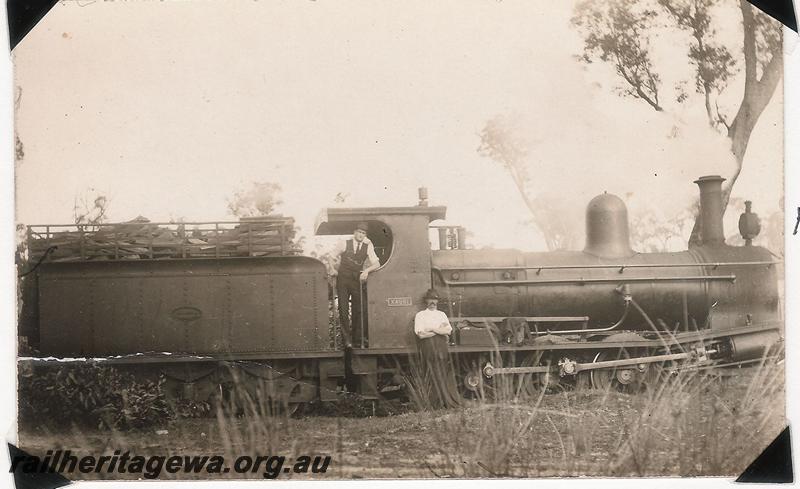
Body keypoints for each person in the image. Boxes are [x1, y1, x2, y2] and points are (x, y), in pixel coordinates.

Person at [413, 289, 461, 408]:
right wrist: (439, 331)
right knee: (430, 373)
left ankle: (444, 401)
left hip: (441, 347)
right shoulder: (420, 315)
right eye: (430, 299)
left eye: (435, 299)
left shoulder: (442, 315)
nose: (433, 302)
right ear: (426, 301)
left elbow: (448, 331)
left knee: (442, 373)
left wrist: (432, 329)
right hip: (428, 347)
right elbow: (421, 335)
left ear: (437, 301)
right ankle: (432, 403)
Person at [334, 222, 380, 348]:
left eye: (363, 233)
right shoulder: (344, 243)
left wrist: (366, 271)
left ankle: (356, 340)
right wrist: (332, 269)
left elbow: (377, 264)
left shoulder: (367, 246)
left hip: (356, 281)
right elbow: (332, 256)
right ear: (354, 232)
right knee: (343, 310)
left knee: (358, 310)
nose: (360, 235)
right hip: (342, 280)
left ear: (365, 235)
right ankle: (346, 341)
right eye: (359, 232)